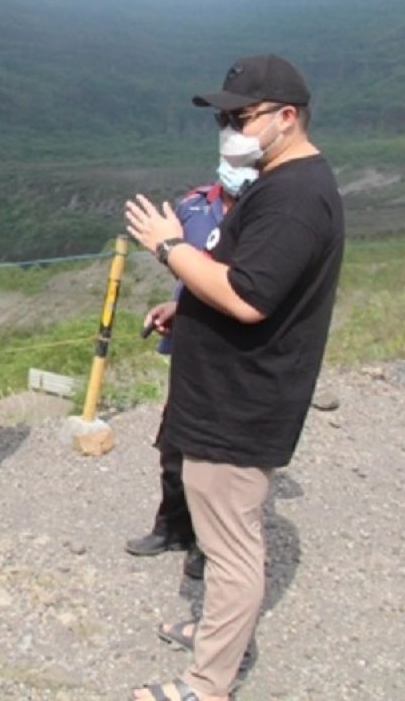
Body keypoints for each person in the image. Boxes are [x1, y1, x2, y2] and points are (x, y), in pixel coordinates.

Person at [125, 54, 344, 701]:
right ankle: (220, 631)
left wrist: (170, 247)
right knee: (222, 534)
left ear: (287, 116)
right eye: (223, 118)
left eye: (239, 117)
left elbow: (250, 297)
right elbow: (236, 279)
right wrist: (184, 304)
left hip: (242, 400)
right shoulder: (276, 184)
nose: (228, 129)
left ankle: (208, 683)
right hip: (227, 393)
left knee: (231, 544)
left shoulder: (295, 197)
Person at [125, 164, 254, 581]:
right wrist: (178, 309)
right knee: (174, 442)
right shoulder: (194, 207)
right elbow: (191, 277)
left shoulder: (266, 213)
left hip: (233, 351)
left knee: (213, 453)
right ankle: (172, 527)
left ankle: (206, 542)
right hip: (190, 345)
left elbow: (244, 291)